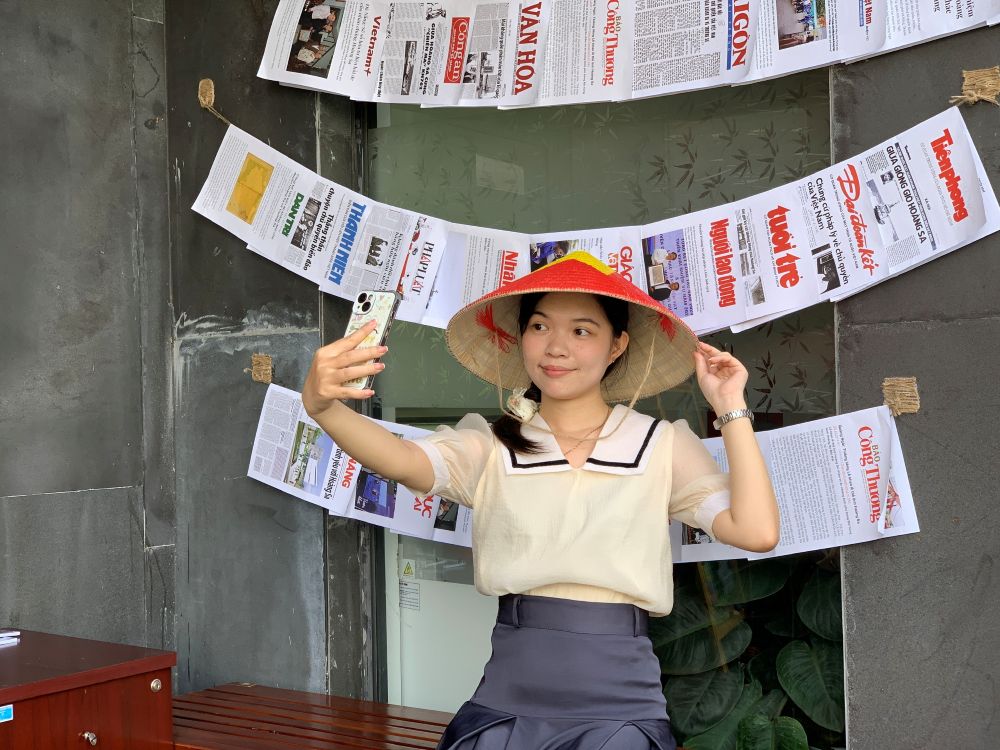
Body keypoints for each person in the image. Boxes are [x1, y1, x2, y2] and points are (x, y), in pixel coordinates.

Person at [302, 251, 780, 749]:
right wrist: (322, 406)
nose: (555, 347)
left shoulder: (660, 445)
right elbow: (402, 461)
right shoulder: (492, 444)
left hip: (621, 706)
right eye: (538, 326)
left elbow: (756, 531)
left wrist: (731, 408)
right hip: (507, 701)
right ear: (521, 338)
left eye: (581, 331)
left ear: (617, 345)